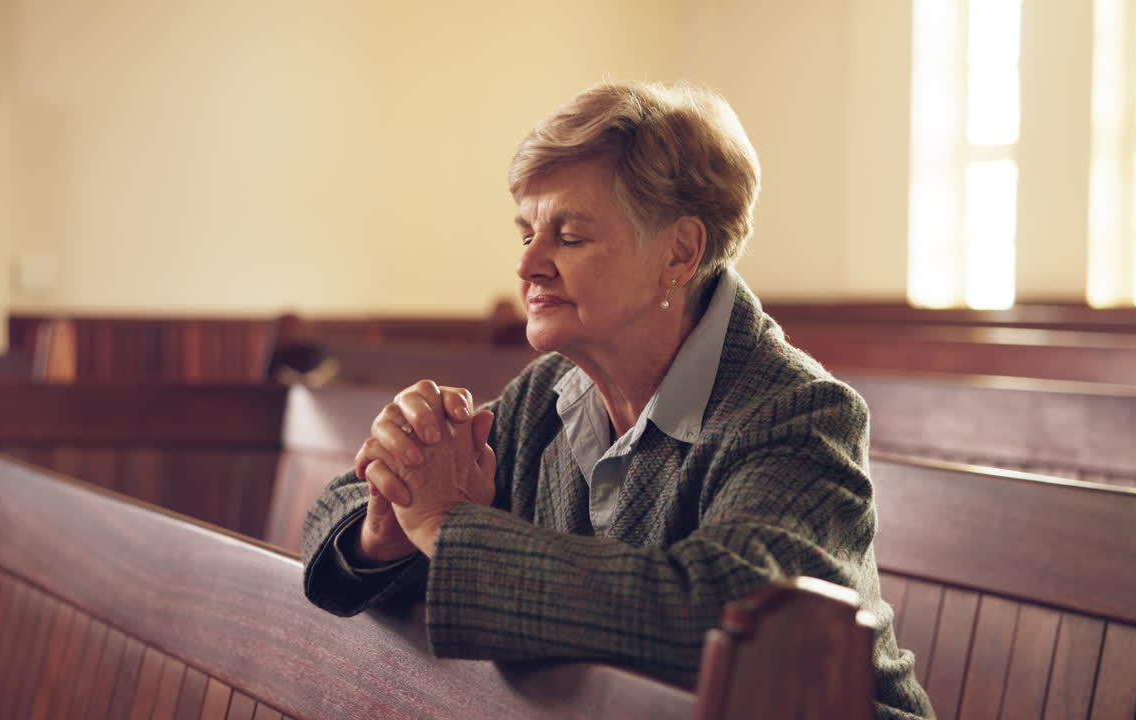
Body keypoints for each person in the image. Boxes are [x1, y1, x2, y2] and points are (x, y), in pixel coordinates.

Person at [302, 80, 933, 718]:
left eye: (569, 237)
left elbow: (720, 614)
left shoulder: (798, 413)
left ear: (679, 253)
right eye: (527, 235)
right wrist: (390, 523)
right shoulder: (546, 392)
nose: (528, 267)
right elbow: (332, 509)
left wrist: (445, 526)